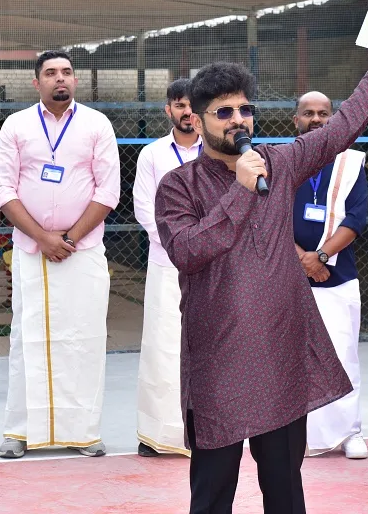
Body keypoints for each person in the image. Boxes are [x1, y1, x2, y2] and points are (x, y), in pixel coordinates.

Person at [155, 45, 368, 513]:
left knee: (285, 486)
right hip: (219, 360)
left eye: (245, 109)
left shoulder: (280, 164)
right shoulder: (179, 186)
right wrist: (241, 191)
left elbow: (340, 130)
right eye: (224, 112)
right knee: (212, 492)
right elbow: (187, 252)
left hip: (280, 354)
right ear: (198, 121)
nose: (238, 120)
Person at [0, 50, 120, 459]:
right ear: (37, 83)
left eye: (66, 72)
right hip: (32, 250)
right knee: (26, 339)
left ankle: (83, 432)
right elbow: (3, 190)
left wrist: (69, 238)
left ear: (75, 80)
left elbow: (108, 190)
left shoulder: (97, 124)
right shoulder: (16, 125)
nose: (59, 78)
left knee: (84, 338)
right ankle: (20, 432)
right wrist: (43, 238)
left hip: (83, 251)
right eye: (50, 73)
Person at [291, 91, 368, 460]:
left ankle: (348, 433)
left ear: (334, 118)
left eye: (323, 113)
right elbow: (270, 219)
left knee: (342, 356)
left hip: (337, 278)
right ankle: (297, 435)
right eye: (308, 113)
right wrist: (303, 260)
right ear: (296, 120)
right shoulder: (284, 161)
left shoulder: (350, 164)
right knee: (292, 359)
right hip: (289, 278)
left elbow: (356, 219)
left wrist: (320, 257)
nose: (316, 119)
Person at [133, 78, 202, 458]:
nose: (187, 112)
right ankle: (158, 435)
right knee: (162, 347)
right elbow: (145, 207)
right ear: (168, 110)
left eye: (192, 105)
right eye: (179, 105)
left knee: (210, 345)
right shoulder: (153, 154)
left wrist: (202, 244)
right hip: (166, 262)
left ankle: (209, 432)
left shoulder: (217, 151)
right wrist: (178, 243)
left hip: (211, 263)